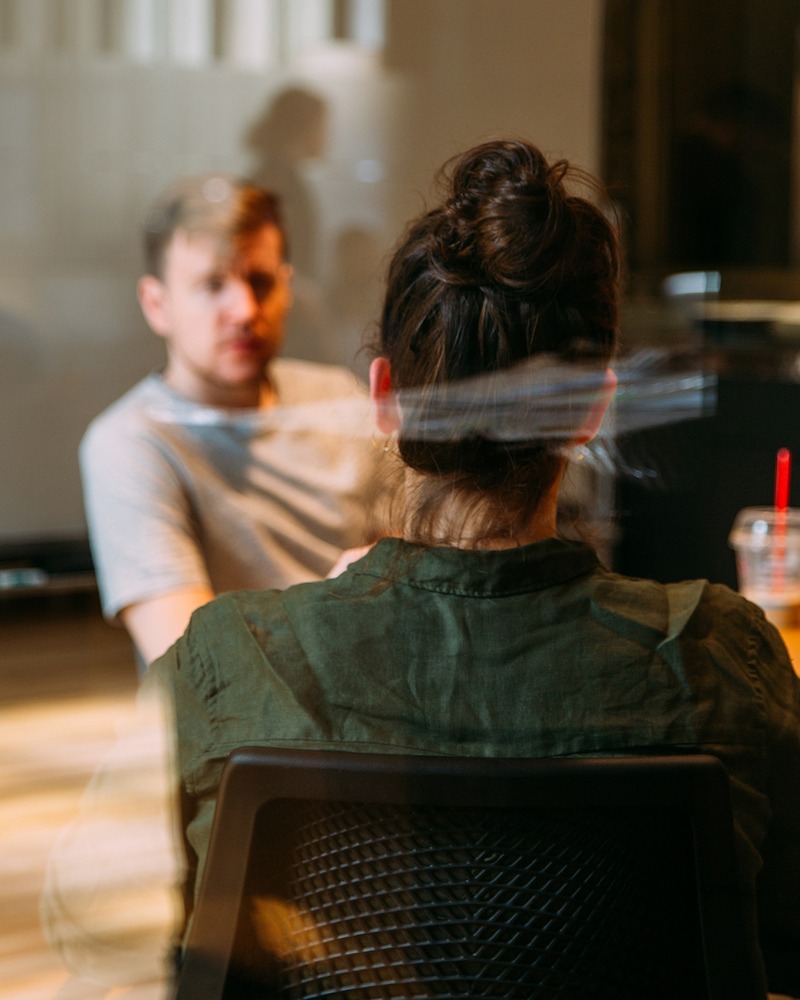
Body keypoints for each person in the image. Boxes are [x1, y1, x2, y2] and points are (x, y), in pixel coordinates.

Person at [151, 139, 800, 995]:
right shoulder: (723, 660)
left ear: (385, 396)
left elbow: (199, 958)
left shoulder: (227, 663)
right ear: (593, 410)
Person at [80, 175, 385, 665]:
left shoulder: (340, 398)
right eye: (212, 285)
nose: (243, 310)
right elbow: (192, 665)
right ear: (157, 305)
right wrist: (334, 605)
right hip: (248, 714)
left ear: (287, 288)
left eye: (260, 282)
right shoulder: (130, 442)